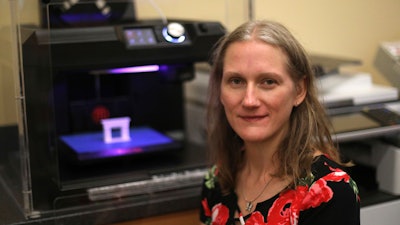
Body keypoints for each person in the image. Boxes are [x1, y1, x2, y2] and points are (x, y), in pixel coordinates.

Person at [199, 20, 360, 225]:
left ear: (299, 90)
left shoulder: (329, 192)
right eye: (236, 81)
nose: (249, 100)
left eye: (268, 82)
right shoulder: (217, 179)